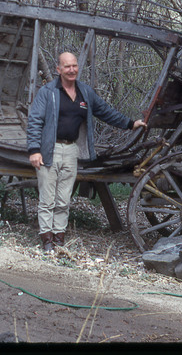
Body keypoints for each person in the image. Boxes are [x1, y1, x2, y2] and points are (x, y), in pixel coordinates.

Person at [27, 52, 147, 253]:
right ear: (58, 70)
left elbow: (105, 111)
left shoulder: (85, 92)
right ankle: (46, 239)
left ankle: (59, 237)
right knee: (47, 198)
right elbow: (34, 122)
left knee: (64, 198)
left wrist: (129, 123)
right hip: (50, 149)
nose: (72, 69)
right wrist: (34, 150)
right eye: (67, 66)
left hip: (71, 150)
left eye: (74, 66)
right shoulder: (48, 92)